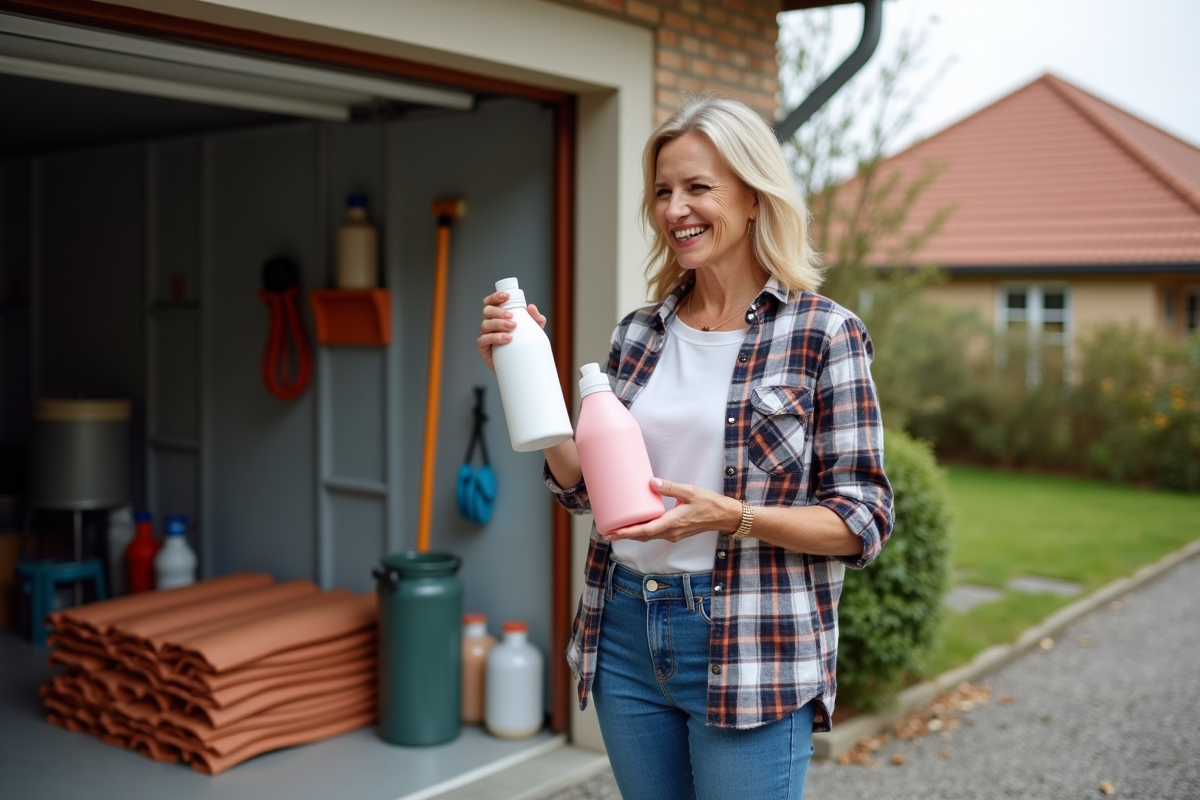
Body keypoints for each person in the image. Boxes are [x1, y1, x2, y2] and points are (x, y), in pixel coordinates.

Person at [476, 95, 893, 800]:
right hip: (626, 627)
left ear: (755, 198)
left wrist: (733, 516)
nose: (675, 209)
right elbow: (586, 490)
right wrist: (532, 386)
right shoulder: (640, 332)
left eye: (698, 187)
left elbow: (864, 518)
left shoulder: (824, 333)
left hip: (748, 641)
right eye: (663, 191)